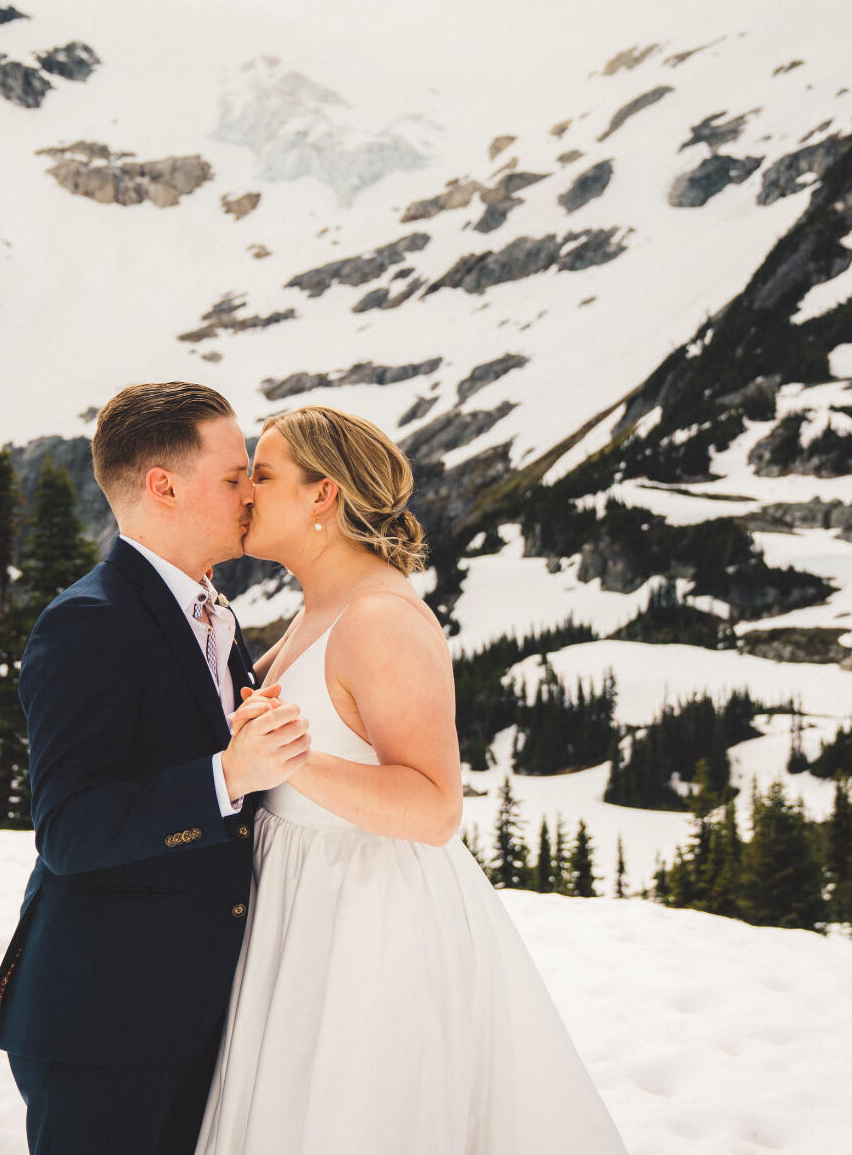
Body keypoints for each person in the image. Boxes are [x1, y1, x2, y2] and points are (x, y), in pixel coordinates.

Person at [193, 404, 630, 1154]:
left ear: (323, 493)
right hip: (304, 905)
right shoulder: (324, 604)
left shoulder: (380, 619)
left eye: (262, 475)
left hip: (365, 921)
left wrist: (289, 757)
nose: (246, 491)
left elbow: (433, 807)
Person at [0, 381, 313, 1155]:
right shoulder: (88, 624)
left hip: (192, 1014)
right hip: (104, 1024)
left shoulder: (212, 613)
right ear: (164, 486)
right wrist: (226, 776)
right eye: (234, 476)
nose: (250, 494)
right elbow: (69, 832)